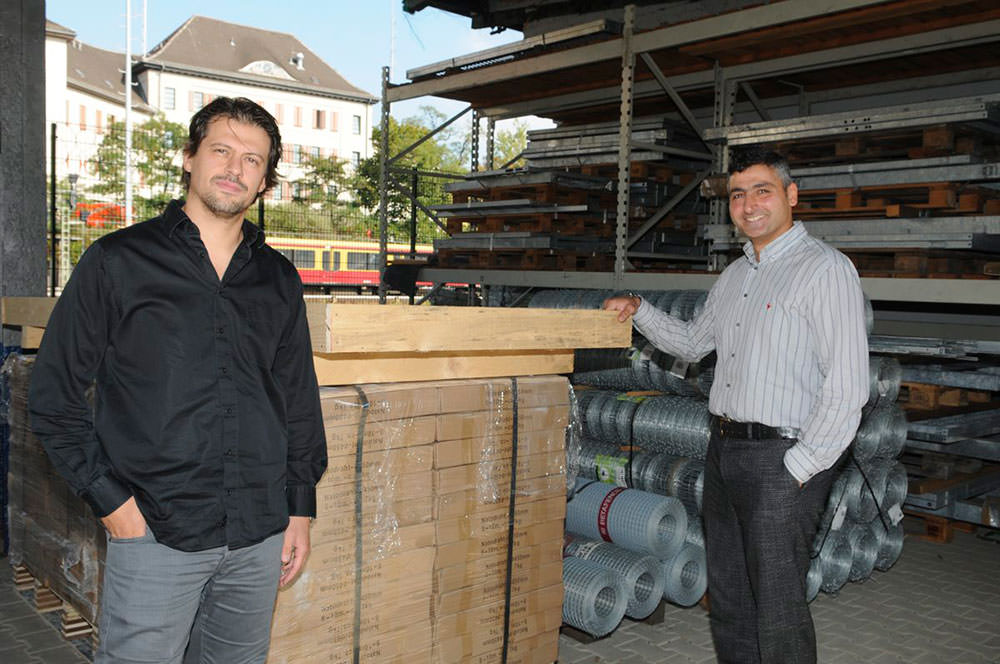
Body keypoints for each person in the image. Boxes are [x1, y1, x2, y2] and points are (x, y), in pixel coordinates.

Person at [29, 97, 327, 664]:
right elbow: (53, 396)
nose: (235, 168)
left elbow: (297, 402)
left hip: (259, 534)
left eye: (253, 160)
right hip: (156, 532)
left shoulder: (279, 279)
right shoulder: (117, 261)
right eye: (221, 150)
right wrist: (114, 504)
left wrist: (300, 509)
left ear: (265, 182)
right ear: (188, 157)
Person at [605, 147, 868, 663]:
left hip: (781, 460)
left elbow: (848, 383)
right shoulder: (736, 277)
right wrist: (640, 311)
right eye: (738, 195)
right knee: (728, 597)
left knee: (777, 605)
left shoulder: (826, 271)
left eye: (762, 191)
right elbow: (691, 343)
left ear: (791, 197)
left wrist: (801, 467)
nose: (748, 205)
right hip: (723, 451)